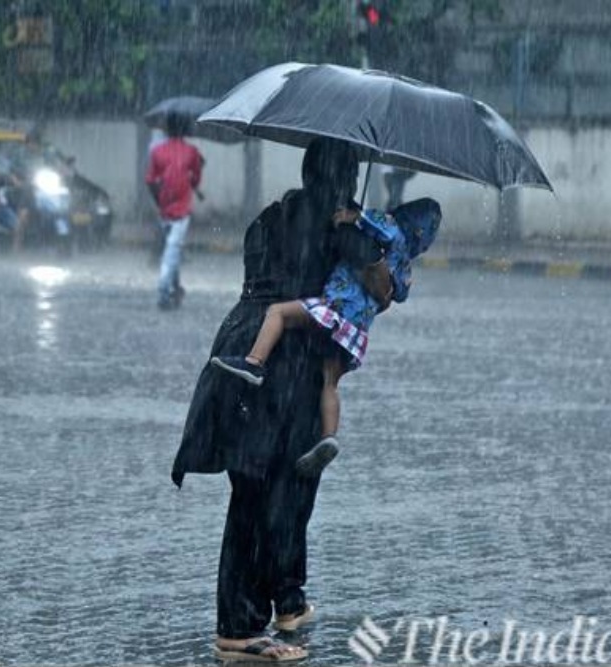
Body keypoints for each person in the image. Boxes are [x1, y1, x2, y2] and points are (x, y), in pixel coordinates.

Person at [172, 138, 393, 662]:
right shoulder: (341, 227)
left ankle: (276, 604)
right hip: (288, 365)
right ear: (346, 176)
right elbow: (383, 291)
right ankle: (243, 627)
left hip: (242, 344)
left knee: (260, 484)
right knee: (276, 488)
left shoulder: (271, 216)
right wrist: (369, 240)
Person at [210, 198, 442, 476]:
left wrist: (351, 215)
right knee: (329, 382)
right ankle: (328, 436)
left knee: (279, 313)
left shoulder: (389, 228)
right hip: (355, 332)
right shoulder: (405, 266)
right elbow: (398, 295)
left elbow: (374, 222)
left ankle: (254, 362)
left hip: (335, 307)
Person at [145, 113, 203, 310]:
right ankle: (164, 290)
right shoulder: (191, 152)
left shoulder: (157, 151)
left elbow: (150, 180)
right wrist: (194, 177)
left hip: (164, 207)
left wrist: (159, 201)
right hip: (182, 208)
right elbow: (195, 178)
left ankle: (175, 287)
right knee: (172, 249)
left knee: (172, 247)